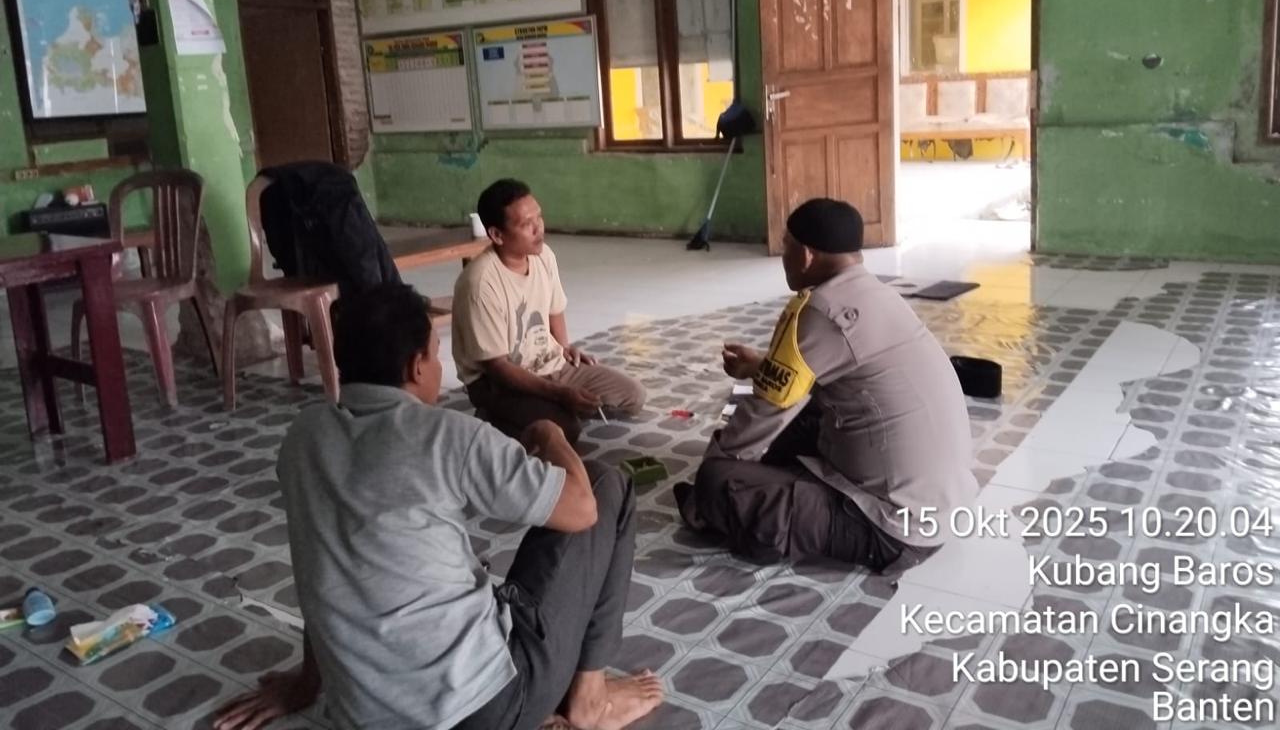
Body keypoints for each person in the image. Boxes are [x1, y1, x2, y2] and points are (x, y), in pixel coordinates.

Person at [213, 284, 662, 730]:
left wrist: (307, 683)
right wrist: (551, 436)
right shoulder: (447, 434)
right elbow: (581, 510)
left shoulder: (304, 437)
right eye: (434, 354)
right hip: (492, 708)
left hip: (368, 718)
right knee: (605, 485)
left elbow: (322, 568)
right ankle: (591, 703)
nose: (439, 364)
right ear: (416, 366)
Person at [676, 198, 977, 573]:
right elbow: (815, 372)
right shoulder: (876, 294)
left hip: (894, 531)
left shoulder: (822, 311)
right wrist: (761, 367)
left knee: (718, 481)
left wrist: (716, 467)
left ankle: (770, 523)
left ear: (805, 255)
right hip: (940, 507)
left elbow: (764, 412)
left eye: (786, 246)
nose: (784, 256)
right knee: (805, 415)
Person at [453, 179, 646, 445]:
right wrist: (559, 393)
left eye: (539, 217)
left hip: (548, 362)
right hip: (498, 382)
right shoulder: (480, 284)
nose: (539, 228)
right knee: (565, 430)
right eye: (526, 224)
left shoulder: (544, 257)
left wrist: (564, 348)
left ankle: (544, 409)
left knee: (634, 396)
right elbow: (497, 367)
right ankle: (494, 414)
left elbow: (555, 308)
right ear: (497, 235)